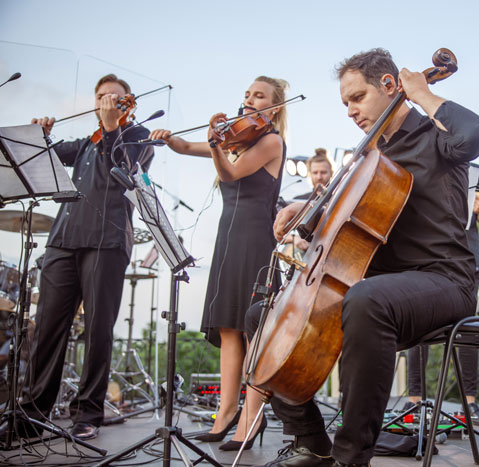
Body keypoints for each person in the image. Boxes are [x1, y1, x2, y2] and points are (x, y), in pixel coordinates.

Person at [246, 48, 479, 466]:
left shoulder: (437, 135)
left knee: (367, 300)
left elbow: (475, 135)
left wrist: (423, 94)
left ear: (390, 86)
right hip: (380, 288)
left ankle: (350, 457)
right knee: (260, 317)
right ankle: (311, 441)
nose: (350, 111)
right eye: (345, 103)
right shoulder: (367, 158)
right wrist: (306, 212)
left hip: (444, 281)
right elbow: (343, 223)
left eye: (357, 98)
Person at [4, 74, 155, 440]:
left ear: (128, 103)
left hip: (106, 243)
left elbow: (122, 171)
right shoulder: (84, 144)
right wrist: (40, 135)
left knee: (98, 330)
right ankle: (32, 412)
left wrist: (111, 126)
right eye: (102, 97)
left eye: (115, 98)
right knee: (46, 330)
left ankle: (88, 413)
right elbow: (42, 159)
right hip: (63, 240)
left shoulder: (139, 139)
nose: (107, 101)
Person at [149, 76, 288, 451]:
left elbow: (229, 172)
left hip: (256, 237)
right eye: (246, 94)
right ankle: (226, 412)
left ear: (273, 108)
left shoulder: (271, 141)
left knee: (250, 330)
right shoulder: (237, 140)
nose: (248, 99)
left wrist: (215, 146)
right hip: (229, 234)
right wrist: (171, 139)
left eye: (258, 96)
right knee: (229, 326)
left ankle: (250, 418)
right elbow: (185, 146)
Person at [406, 163, 479, 427]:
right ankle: (414, 401)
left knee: (466, 329)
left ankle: (470, 404)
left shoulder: (476, 170)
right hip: (426, 258)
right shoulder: (420, 159)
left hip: (467, 260)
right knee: (417, 327)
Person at [282, 150, 335, 254]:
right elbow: (280, 230)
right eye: (315, 173)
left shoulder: (339, 199)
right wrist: (294, 238)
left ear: (331, 173)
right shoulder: (299, 200)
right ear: (309, 174)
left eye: (323, 172)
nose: (319, 177)